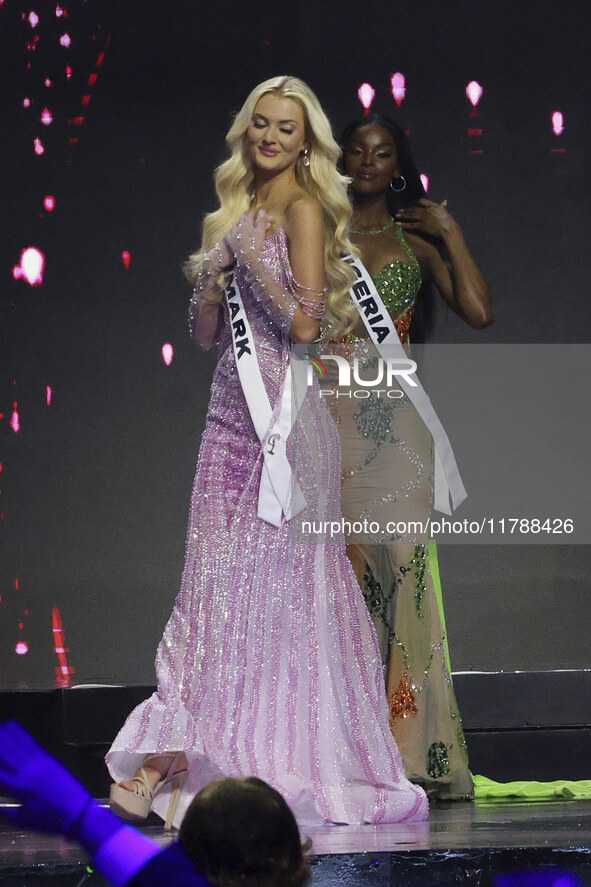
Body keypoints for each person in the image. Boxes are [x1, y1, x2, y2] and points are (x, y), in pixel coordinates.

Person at [106, 78, 427, 828]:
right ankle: (186, 752)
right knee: (211, 596)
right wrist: (209, 282)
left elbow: (307, 327)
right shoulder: (239, 211)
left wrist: (245, 258)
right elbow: (206, 337)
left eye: (285, 127)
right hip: (227, 423)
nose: (269, 138)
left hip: (286, 427)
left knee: (275, 599)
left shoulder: (302, 210)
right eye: (260, 124)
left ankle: (203, 761)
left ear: (305, 140)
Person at [320, 113, 493, 800]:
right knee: (341, 582)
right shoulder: (316, 232)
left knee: (406, 572)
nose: (365, 161)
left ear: (396, 166)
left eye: (380, 152)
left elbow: (479, 311)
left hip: (397, 428)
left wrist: (448, 233)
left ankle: (415, 752)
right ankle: (346, 748)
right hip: (327, 422)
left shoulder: (412, 238)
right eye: (354, 151)